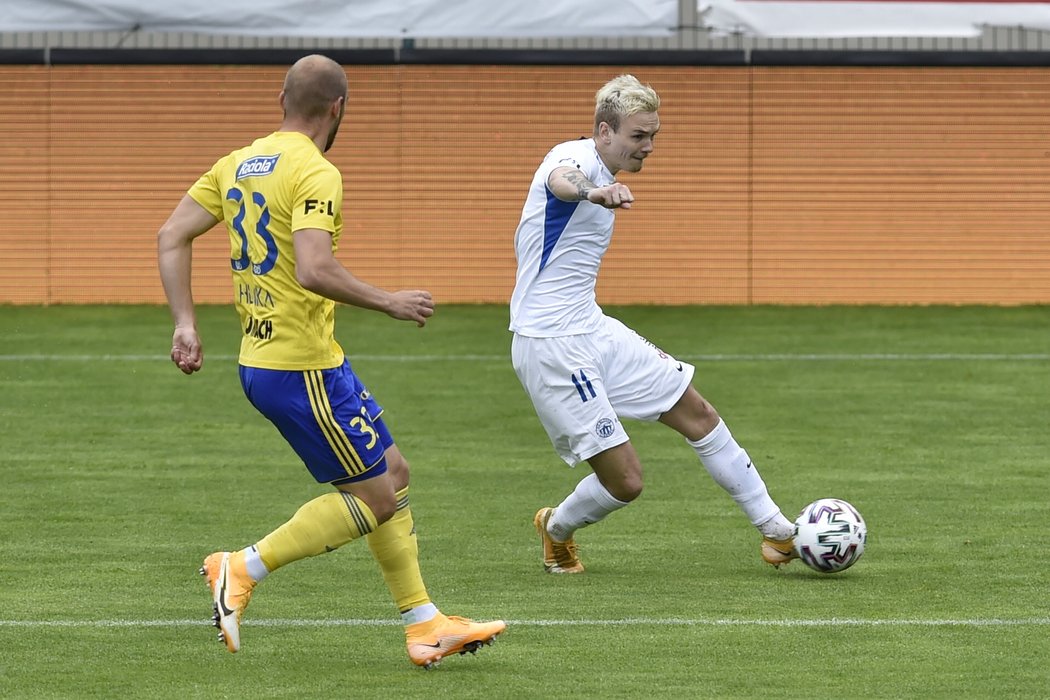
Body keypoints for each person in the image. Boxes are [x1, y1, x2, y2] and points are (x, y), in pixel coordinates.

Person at [157, 54, 504, 668]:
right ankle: (240, 567)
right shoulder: (316, 172)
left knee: (393, 472)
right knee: (375, 499)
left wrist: (186, 322)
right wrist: (390, 301)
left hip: (294, 361)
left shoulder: (239, 162)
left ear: (280, 99)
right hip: (300, 369)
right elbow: (315, 268)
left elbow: (171, 234)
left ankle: (425, 625)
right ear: (338, 108)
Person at [509, 74, 798, 575]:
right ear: (604, 131)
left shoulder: (600, 165)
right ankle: (555, 528)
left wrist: (602, 190)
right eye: (638, 136)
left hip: (592, 328)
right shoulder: (574, 161)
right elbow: (563, 181)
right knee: (626, 482)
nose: (648, 147)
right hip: (551, 345)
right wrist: (596, 192)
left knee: (698, 412)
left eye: (653, 136)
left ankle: (778, 532)